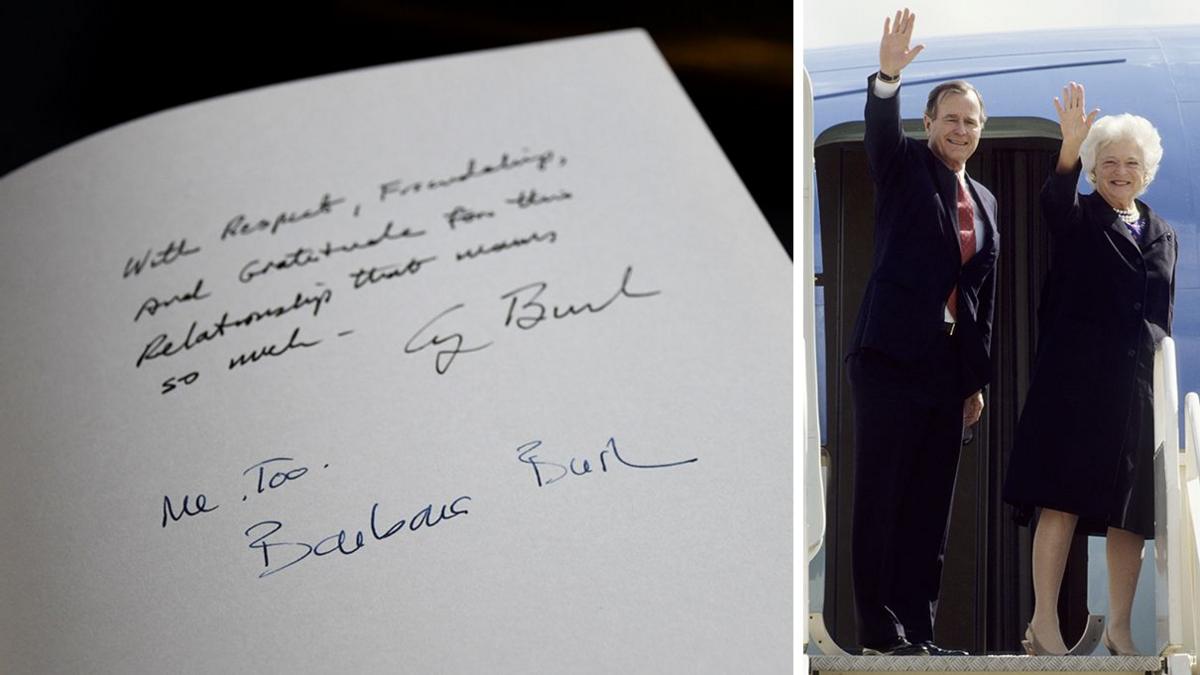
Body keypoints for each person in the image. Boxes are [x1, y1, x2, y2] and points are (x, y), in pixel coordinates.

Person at [1003, 82, 1177, 657]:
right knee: (1063, 500)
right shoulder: (1077, 216)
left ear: (1146, 171)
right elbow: (1053, 202)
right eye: (1108, 163)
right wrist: (1069, 150)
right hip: (1076, 388)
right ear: (1094, 171)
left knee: (1131, 515)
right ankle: (1044, 624)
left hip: (1137, 393)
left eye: (1131, 163)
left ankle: (1122, 630)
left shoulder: (1162, 232)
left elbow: (1161, 318)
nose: (1120, 171)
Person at [847, 8, 999, 656]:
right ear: (930, 123)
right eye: (951, 118)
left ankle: (918, 632)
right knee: (882, 496)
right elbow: (880, 131)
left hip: (944, 369)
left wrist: (973, 380)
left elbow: (980, 297)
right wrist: (887, 76)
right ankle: (881, 631)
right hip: (890, 357)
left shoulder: (988, 202)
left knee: (929, 508)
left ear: (979, 131)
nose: (960, 129)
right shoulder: (905, 166)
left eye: (971, 121)